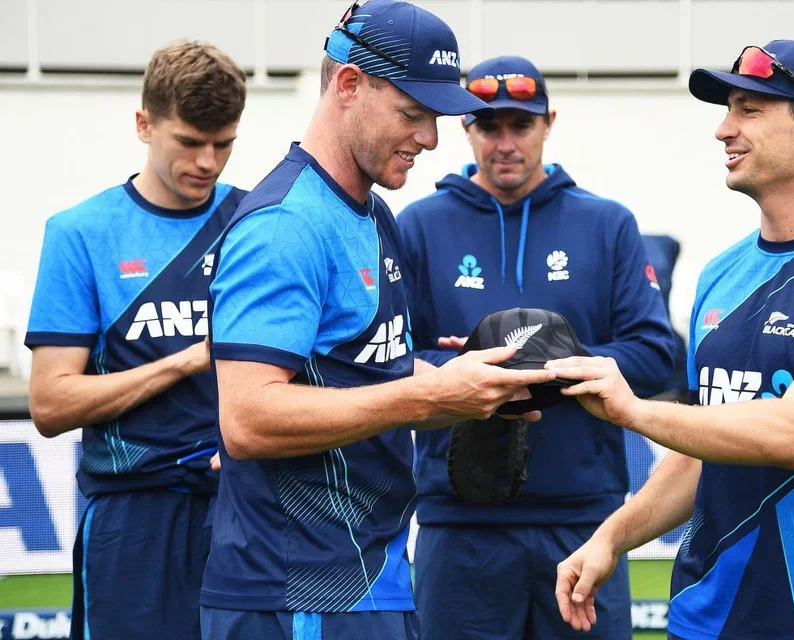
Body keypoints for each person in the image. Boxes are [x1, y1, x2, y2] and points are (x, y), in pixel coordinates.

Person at [551, 40, 794, 640]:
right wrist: (611, 539)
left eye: (750, 109)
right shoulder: (720, 274)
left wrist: (633, 411)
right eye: (728, 108)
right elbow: (709, 443)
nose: (724, 129)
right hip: (709, 617)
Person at [200, 4, 554, 639]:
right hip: (296, 591)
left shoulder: (371, 213)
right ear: (348, 85)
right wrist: (426, 395)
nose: (431, 138)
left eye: (437, 119)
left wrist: (479, 389)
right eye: (412, 114)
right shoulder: (284, 226)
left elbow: (373, 375)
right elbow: (247, 418)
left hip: (372, 576)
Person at [397, 55, 675, 639]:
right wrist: (464, 367)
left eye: (520, 125)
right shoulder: (418, 225)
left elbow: (654, 356)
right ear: (465, 128)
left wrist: (543, 364)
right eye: (488, 126)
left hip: (585, 522)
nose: (504, 143)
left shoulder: (607, 224)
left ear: (548, 123)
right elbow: (391, 358)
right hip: (459, 522)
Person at [24, 41, 247, 639]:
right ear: (145, 125)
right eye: (189, 142)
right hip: (132, 517)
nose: (207, 161)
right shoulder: (80, 234)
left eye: (223, 144)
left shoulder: (260, 223)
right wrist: (186, 362)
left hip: (247, 506)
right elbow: (49, 405)